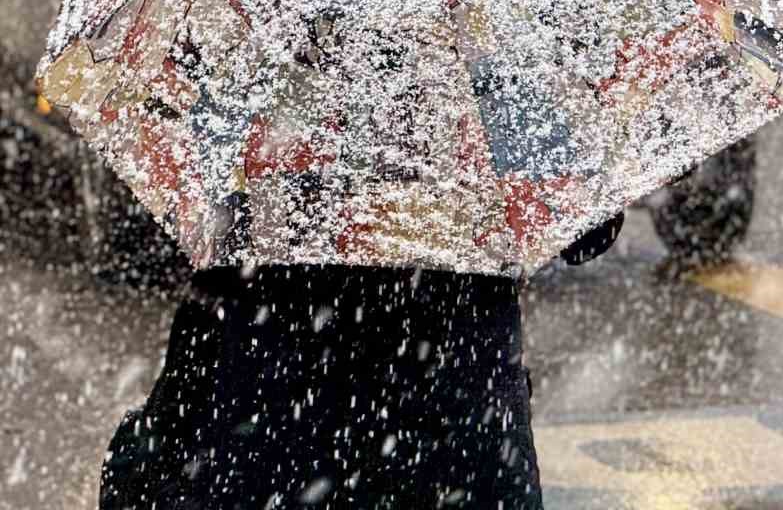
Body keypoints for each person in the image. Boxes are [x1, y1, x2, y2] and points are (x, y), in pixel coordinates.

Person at [99, 213, 625, 510]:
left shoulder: (259, 61)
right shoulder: (486, 64)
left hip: (272, 407)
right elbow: (585, 232)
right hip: (450, 413)